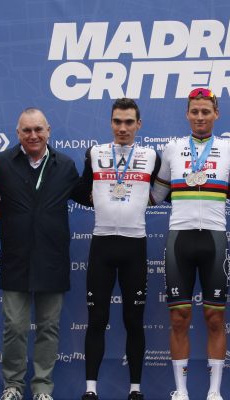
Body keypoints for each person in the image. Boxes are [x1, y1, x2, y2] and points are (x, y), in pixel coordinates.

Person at [151, 87, 230, 400]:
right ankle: (180, 392)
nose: (200, 117)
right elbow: (155, 196)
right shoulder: (172, 149)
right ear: (187, 114)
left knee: (215, 318)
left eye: (206, 111)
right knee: (179, 318)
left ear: (216, 114)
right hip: (179, 239)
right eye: (194, 111)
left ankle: (214, 392)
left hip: (214, 240)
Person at [74, 98, 160, 400]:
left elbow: (164, 190)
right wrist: (98, 201)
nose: (122, 128)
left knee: (133, 320)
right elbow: (80, 189)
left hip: (135, 245)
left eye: (128, 122)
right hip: (102, 244)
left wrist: (143, 202)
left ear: (138, 124)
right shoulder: (95, 153)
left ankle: (135, 389)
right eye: (117, 121)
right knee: (97, 319)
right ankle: (90, 390)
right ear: (111, 123)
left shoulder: (151, 156)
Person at [0, 108, 80, 400]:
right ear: (17, 133)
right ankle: (13, 386)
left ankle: (42, 387)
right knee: (14, 327)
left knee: (48, 328)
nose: (33, 135)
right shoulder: (1, 164)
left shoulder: (65, 165)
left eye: (38, 129)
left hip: (52, 258)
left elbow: (90, 196)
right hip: (15, 258)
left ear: (48, 131)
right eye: (27, 130)